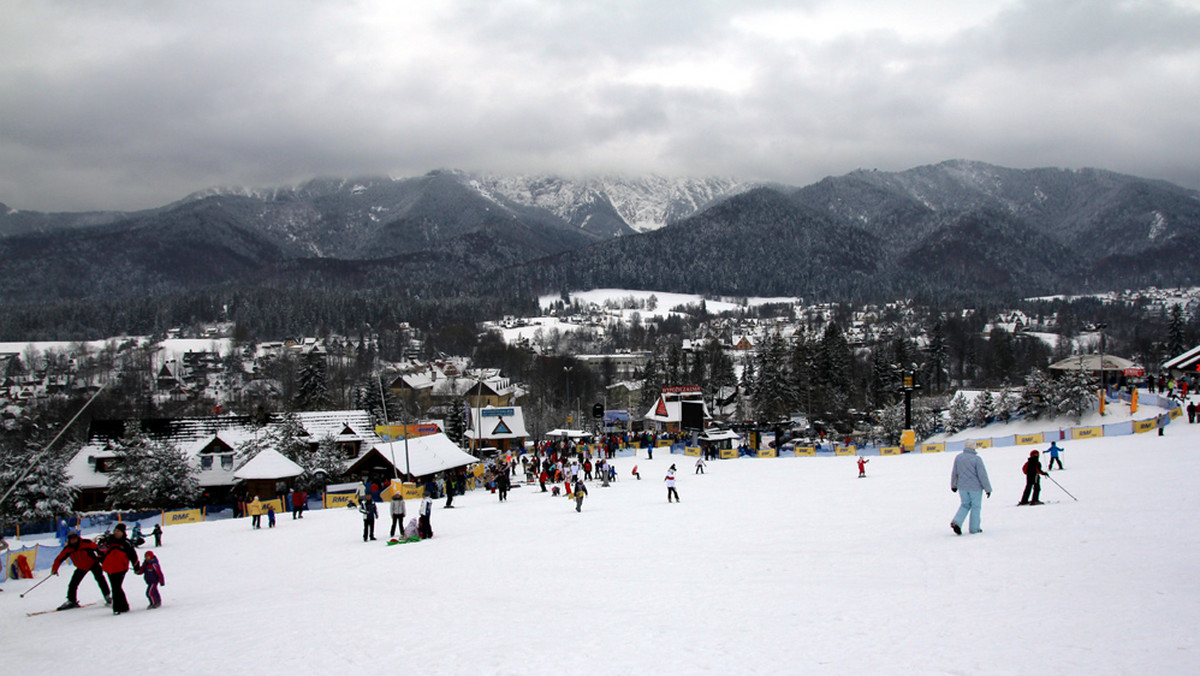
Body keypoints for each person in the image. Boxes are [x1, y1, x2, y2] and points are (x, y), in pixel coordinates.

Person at [51, 530, 112, 609]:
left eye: (74, 538)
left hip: (93, 563)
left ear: (77, 537)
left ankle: (107, 597)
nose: (73, 540)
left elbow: (98, 549)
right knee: (73, 584)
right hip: (81, 567)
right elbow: (59, 559)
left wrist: (102, 557)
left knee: (100, 579)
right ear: (69, 539)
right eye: (71, 538)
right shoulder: (68, 549)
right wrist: (55, 569)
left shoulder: (86, 543)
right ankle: (71, 600)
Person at [950, 441, 992, 535]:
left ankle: (957, 521)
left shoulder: (958, 457)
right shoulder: (977, 459)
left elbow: (955, 472)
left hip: (962, 487)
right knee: (976, 507)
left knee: (965, 504)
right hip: (975, 488)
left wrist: (953, 485)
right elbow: (982, 475)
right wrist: (988, 489)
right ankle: (974, 528)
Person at [100, 523, 141, 614]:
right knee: (117, 587)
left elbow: (133, 556)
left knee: (116, 587)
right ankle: (124, 606)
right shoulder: (109, 540)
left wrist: (136, 568)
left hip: (120, 569)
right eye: (115, 531)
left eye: (118, 531)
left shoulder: (126, 543)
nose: (116, 533)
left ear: (123, 532)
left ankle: (117, 608)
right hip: (109, 568)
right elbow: (101, 550)